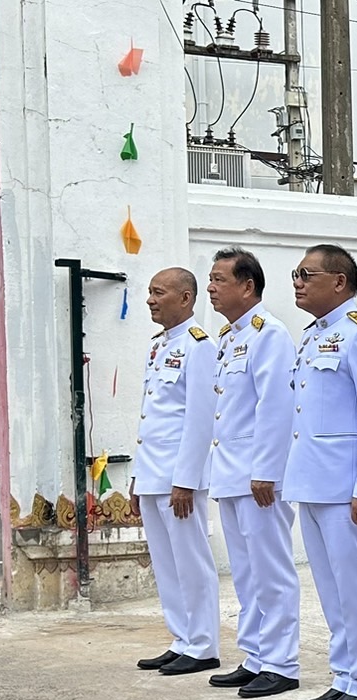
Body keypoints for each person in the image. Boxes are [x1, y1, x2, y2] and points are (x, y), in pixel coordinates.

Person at [283, 244, 357, 700]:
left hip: (349, 485)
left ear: (339, 281)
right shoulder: (314, 336)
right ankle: (345, 676)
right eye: (295, 274)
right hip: (313, 480)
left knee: (355, 585)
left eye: (306, 274)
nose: (297, 282)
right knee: (330, 587)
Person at [203, 248, 302, 699]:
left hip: (258, 477)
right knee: (245, 572)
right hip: (231, 473)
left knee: (271, 570)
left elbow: (275, 407)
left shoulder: (270, 334)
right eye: (210, 279)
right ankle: (256, 655)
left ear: (248, 286)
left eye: (219, 280)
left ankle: (281, 662)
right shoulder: (230, 336)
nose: (211, 288)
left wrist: (266, 470)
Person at [131, 267, 222, 676]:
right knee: (165, 562)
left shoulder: (200, 346)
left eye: (159, 292)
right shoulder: (159, 345)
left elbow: (201, 418)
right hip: (154, 471)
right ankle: (181, 637)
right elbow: (153, 415)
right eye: (149, 292)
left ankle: (203, 644)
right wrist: (138, 475)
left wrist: (185, 479)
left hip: (178, 477)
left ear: (185, 298)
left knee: (190, 560)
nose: (151, 300)